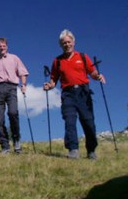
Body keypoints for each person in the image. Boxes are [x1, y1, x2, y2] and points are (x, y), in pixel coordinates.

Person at [43, 29, 106, 160]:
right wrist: (49, 85)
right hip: (67, 94)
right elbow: (54, 79)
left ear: (73, 42)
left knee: (88, 122)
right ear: (60, 45)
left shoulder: (82, 57)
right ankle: (73, 150)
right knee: (69, 121)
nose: (67, 44)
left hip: (83, 92)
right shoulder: (58, 61)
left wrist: (98, 76)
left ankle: (91, 150)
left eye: (68, 42)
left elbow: (92, 72)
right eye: (64, 43)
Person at [0, 37, 29, 154]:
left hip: (11, 87)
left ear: (6, 46)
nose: (2, 47)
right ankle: (5, 146)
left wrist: (23, 85)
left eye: (3, 45)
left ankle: (16, 140)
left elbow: (22, 72)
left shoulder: (14, 58)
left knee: (13, 113)